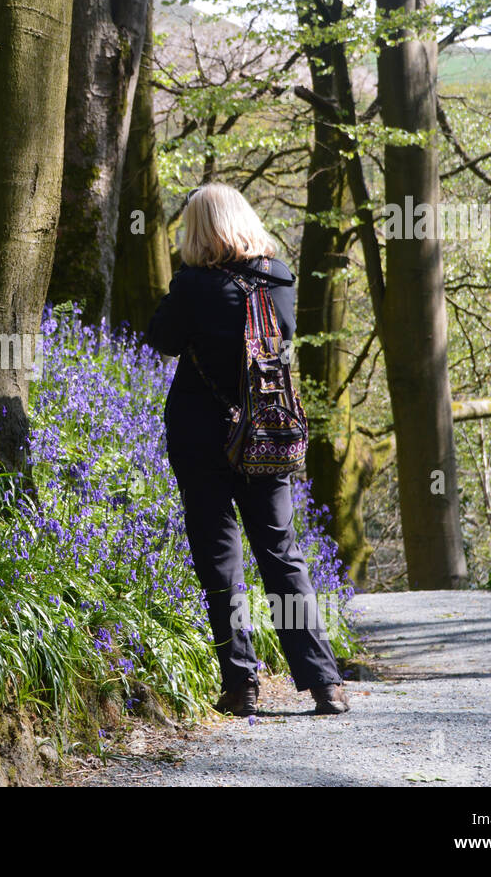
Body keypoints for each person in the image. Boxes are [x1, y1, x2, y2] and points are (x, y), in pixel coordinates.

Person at [146, 182, 349, 717]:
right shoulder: (280, 278)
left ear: (200, 231)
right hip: (268, 431)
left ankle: (241, 685)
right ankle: (324, 682)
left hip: (202, 434)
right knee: (281, 554)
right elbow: (277, 345)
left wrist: (179, 293)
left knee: (220, 559)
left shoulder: (193, 285)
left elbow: (160, 338)